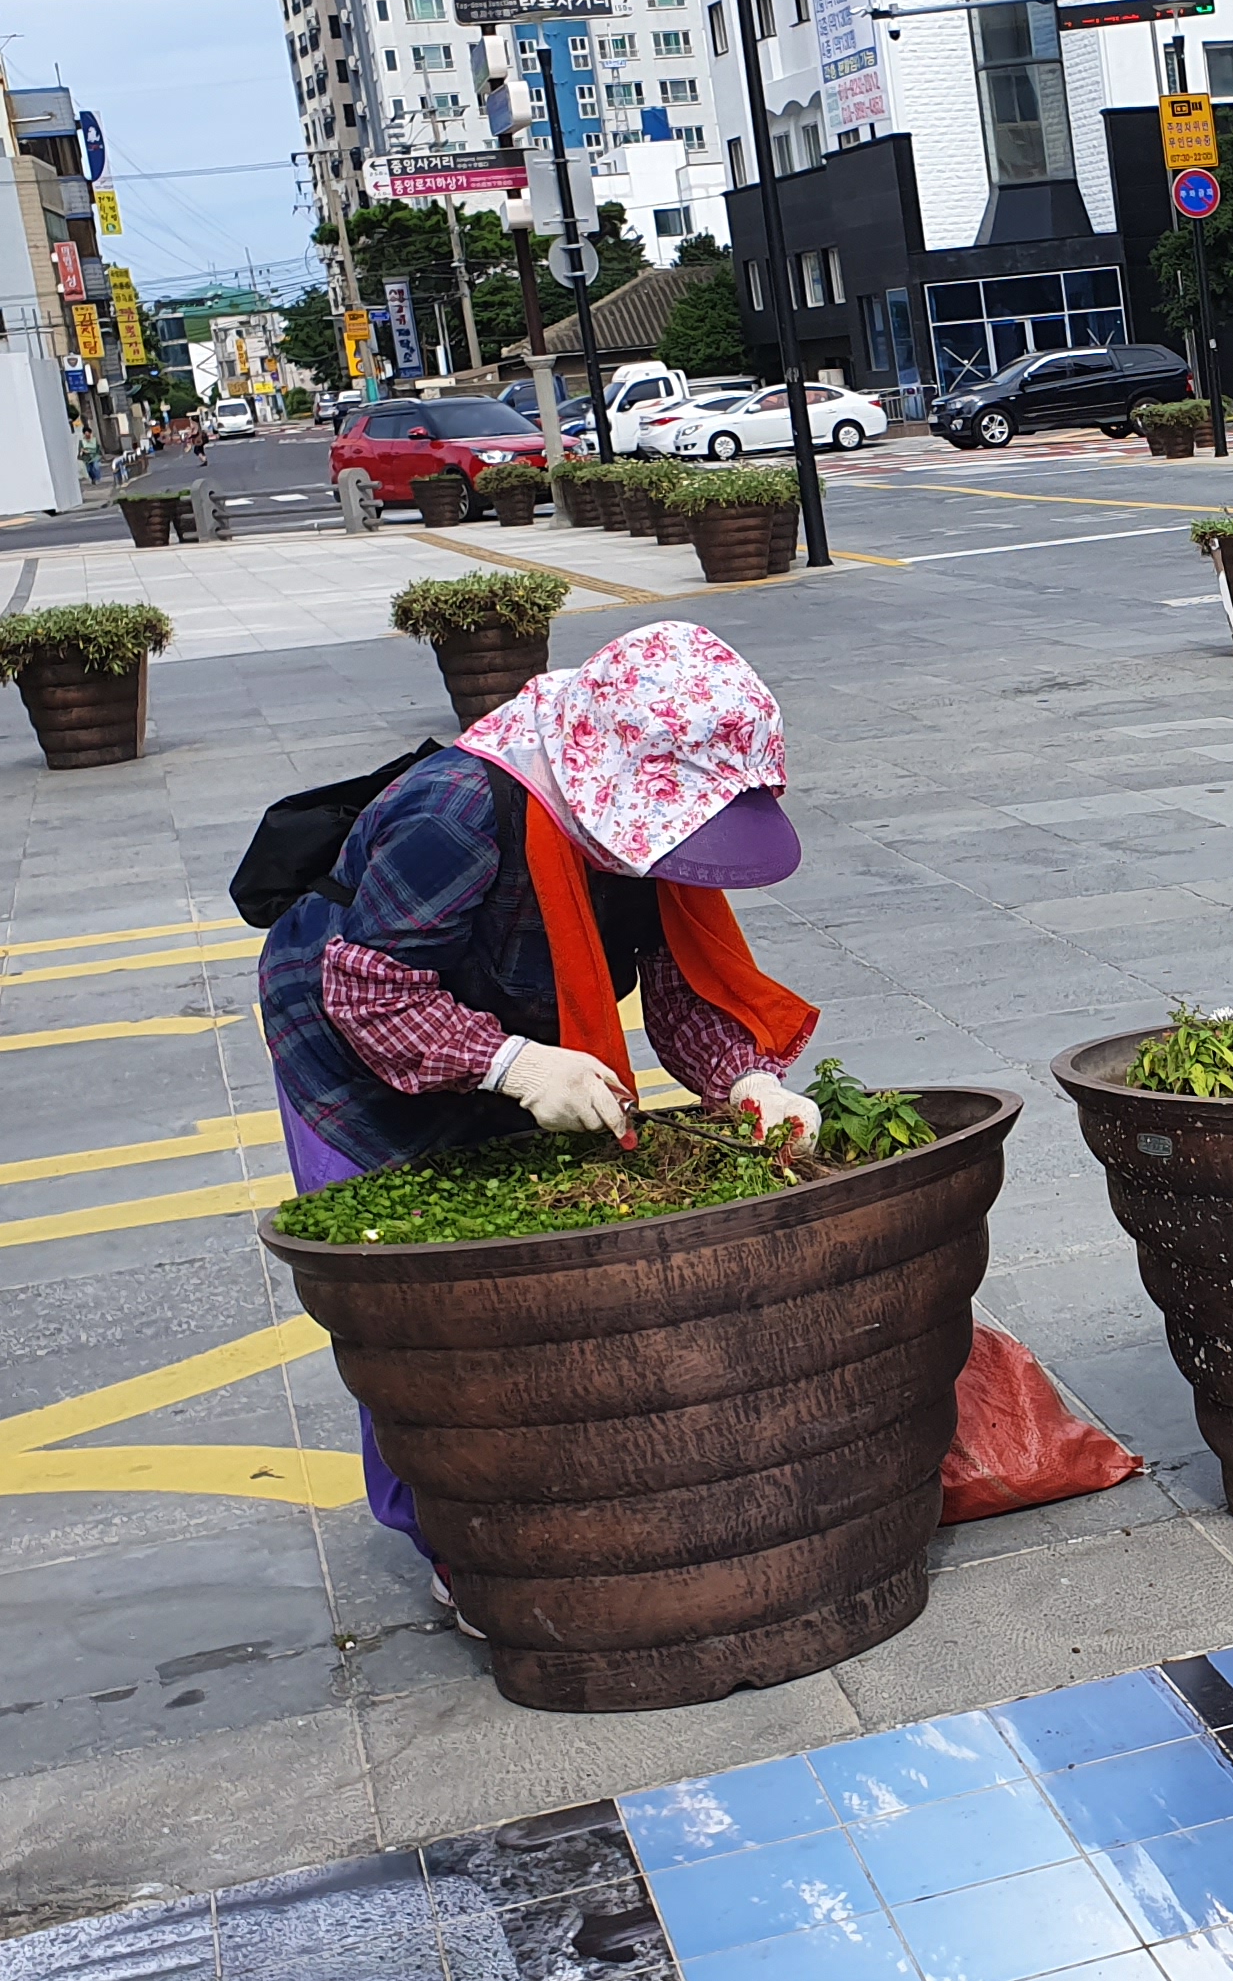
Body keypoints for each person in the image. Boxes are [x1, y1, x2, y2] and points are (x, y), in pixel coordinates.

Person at [257, 621, 826, 1600]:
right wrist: (512, 1065)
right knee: (417, 1303)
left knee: (530, 1279)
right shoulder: (455, 814)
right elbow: (371, 993)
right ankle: (451, 1535)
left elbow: (677, 984)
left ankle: (560, 1483)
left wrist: (746, 1080)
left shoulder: (632, 830)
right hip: (355, 1040)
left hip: (519, 1025)